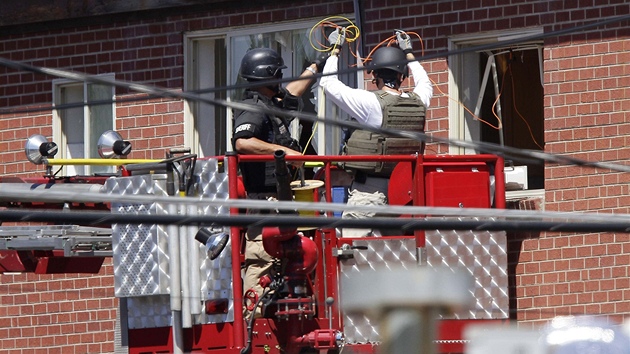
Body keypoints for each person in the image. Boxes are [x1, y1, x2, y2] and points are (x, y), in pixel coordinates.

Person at [232, 47, 320, 319]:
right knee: (262, 270)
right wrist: (284, 153)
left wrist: (316, 66)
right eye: (278, 74)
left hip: (282, 206)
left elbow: (293, 93)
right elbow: (242, 142)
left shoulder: (272, 103)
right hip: (264, 211)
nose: (281, 79)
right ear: (266, 76)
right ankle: (254, 326)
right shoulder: (252, 109)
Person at [319, 29, 433, 236]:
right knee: (399, 254)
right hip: (406, 194)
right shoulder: (420, 101)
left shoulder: (370, 103)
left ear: (375, 75)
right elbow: (425, 82)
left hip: (370, 192)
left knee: (351, 251)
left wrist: (335, 50)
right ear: (402, 76)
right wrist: (409, 53)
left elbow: (328, 83)